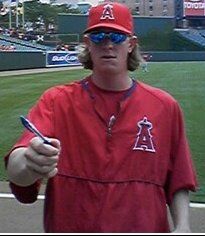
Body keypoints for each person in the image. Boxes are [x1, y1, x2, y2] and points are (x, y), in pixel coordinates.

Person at [5, 2, 197, 233]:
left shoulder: (164, 106)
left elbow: (178, 178)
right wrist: (29, 160)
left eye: (116, 36)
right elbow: (19, 171)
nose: (107, 44)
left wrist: (184, 226)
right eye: (98, 36)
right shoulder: (56, 101)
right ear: (87, 44)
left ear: (131, 44)